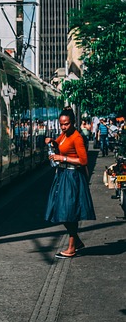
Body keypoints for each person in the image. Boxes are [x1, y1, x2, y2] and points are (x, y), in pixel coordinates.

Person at [45, 108, 96, 259]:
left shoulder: (77, 137)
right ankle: (77, 242)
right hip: (63, 175)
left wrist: (63, 159)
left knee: (69, 212)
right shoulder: (64, 135)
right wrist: (52, 142)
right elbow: (59, 144)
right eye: (61, 124)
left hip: (73, 176)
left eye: (66, 124)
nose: (63, 127)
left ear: (73, 123)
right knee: (59, 209)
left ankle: (72, 247)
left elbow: (84, 160)